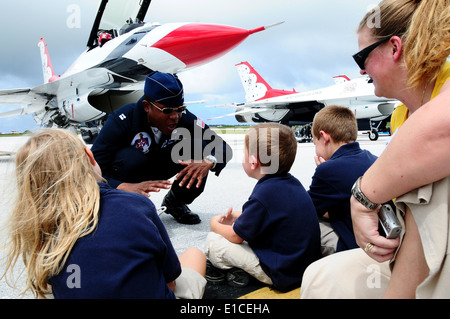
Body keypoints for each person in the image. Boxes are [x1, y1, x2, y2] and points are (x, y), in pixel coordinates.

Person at [301, 0, 450, 298]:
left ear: (394, 48)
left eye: (362, 58)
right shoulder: (399, 117)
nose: (361, 71)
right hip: (409, 247)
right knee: (319, 275)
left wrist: (363, 196)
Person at [1, 129, 207, 299]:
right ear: (89, 156)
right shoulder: (137, 205)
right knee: (194, 254)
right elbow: (170, 282)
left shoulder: (40, 227)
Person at [91, 71, 233, 225]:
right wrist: (121, 186)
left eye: (179, 109)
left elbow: (221, 145)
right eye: (167, 111)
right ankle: (122, 204)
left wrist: (209, 160)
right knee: (131, 157)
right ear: (147, 106)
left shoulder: (182, 116)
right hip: (128, 174)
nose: (175, 116)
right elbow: (90, 168)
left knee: (199, 148)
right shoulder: (122, 120)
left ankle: (175, 202)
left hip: (161, 166)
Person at [205, 123, 322, 292]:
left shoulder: (264, 194)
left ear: (253, 162)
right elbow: (270, 214)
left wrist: (214, 224)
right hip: (303, 268)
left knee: (214, 242)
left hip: (281, 274)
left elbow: (235, 236)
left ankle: (235, 271)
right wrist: (239, 217)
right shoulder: (291, 183)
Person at [308, 105, 378, 255]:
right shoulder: (373, 159)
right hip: (376, 239)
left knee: (297, 224)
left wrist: (323, 170)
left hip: (352, 245)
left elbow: (307, 210)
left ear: (324, 137)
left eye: (315, 143)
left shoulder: (328, 171)